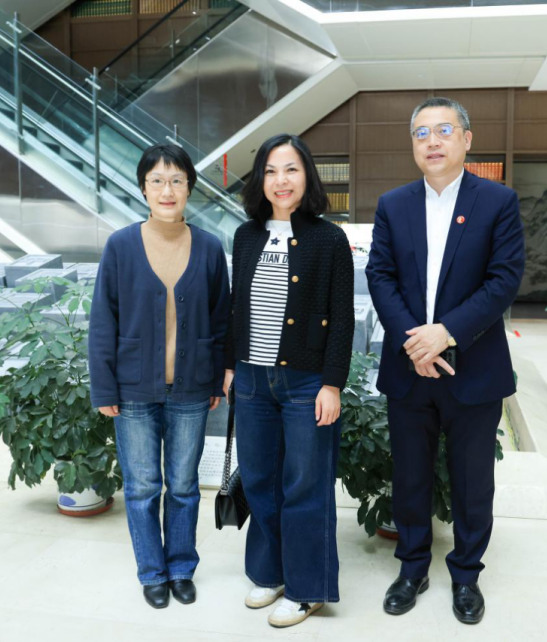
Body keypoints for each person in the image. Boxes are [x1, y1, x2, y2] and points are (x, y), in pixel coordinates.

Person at [366, 98, 525, 625]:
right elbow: (380, 276)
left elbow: (504, 279)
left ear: (466, 139)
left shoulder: (497, 201)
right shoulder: (393, 204)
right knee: (409, 475)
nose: (432, 141)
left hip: (473, 367)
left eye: (443, 130)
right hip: (409, 366)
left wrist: (446, 332)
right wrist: (415, 342)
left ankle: (466, 575)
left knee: (473, 481)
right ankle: (412, 568)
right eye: (421, 133)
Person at [89, 143, 231, 610]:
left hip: (191, 388)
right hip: (132, 389)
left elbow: (221, 318)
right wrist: (104, 386)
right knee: (143, 487)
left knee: (184, 486)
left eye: (176, 180)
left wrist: (216, 378)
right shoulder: (121, 245)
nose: (167, 190)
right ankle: (152, 572)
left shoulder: (209, 247)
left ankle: (181, 567)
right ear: (144, 188)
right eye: (157, 181)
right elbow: (103, 320)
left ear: (189, 187)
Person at [222, 134, 354, 629]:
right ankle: (270, 572)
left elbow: (342, 318)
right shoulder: (246, 236)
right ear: (260, 179)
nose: (281, 180)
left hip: (305, 383)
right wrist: (231, 366)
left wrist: (331, 384)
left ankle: (307, 589)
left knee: (304, 485)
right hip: (252, 380)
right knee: (260, 480)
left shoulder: (329, 239)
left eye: (291, 169)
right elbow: (237, 306)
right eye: (271, 170)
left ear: (307, 176)